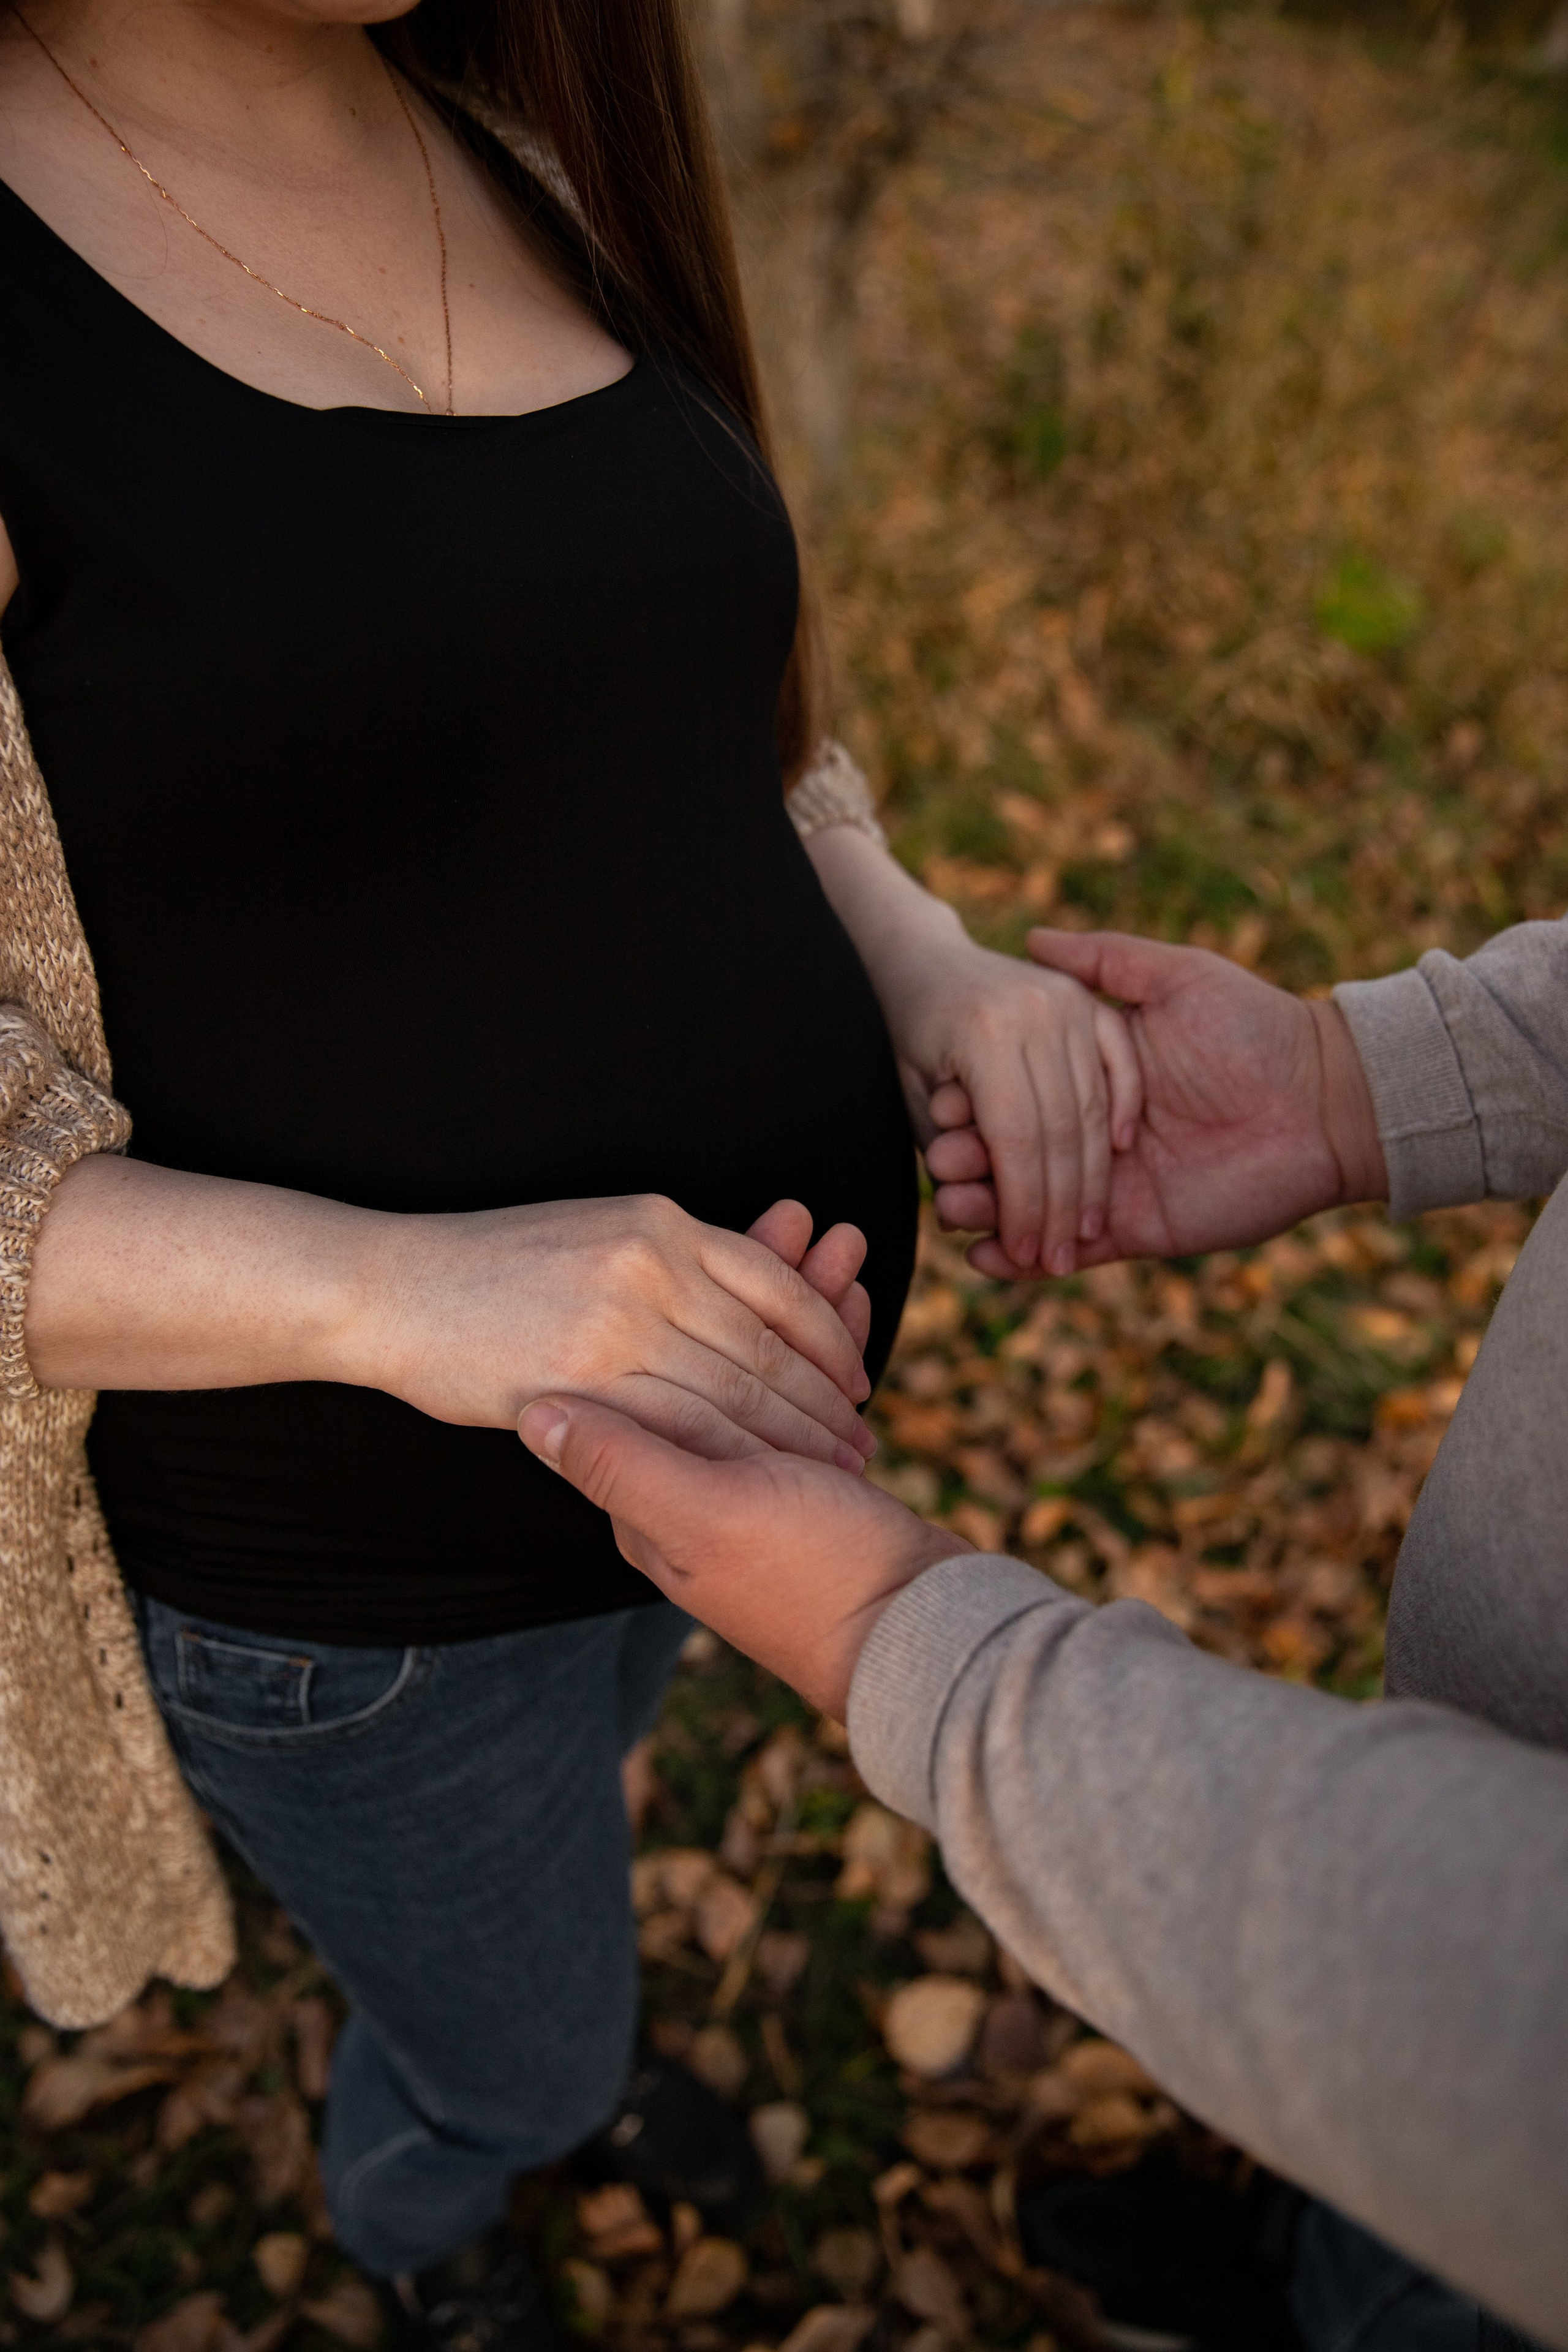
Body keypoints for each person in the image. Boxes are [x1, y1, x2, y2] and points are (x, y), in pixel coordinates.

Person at [0, 0, 1146, 2338]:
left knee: (581, 1824)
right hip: (364, 1590)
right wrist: (404, 1299)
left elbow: (686, 708)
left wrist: (927, 961)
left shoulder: (522, 129)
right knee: (517, 2042)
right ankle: (444, 2216)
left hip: (755, 1445)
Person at [519, 916, 1568, 2352]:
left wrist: (903, 1637)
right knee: (1394, 2208)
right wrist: (1350, 1079)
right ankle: (1328, 2251)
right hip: (1412, 1919)